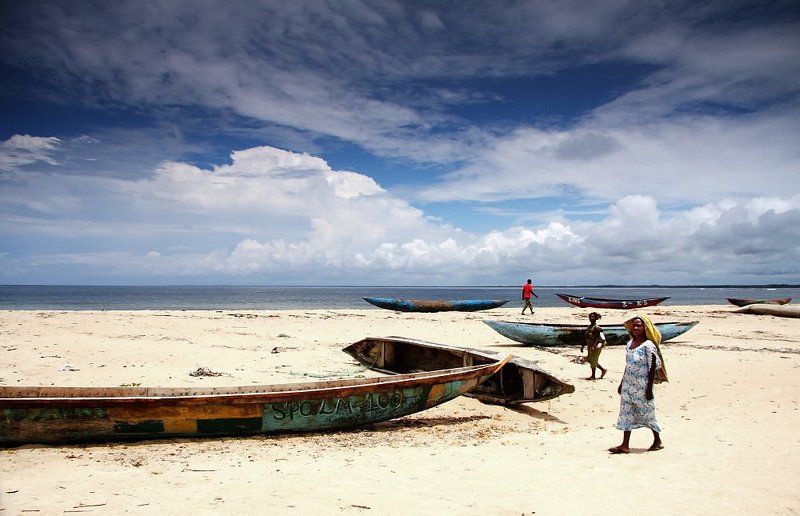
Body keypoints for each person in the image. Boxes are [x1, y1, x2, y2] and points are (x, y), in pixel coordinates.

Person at [609, 315, 668, 454]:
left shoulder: (648, 345)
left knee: (647, 413)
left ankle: (657, 440)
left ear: (645, 328)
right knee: (626, 413)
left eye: (639, 326)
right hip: (628, 385)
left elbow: (653, 366)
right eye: (633, 326)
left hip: (643, 386)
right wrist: (622, 383)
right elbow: (627, 365)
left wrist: (649, 388)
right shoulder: (630, 344)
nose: (635, 328)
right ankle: (624, 445)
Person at [581, 312, 607, 380]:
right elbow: (586, 337)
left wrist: (593, 347)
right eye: (590, 317)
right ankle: (603, 370)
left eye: (592, 317)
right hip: (590, 346)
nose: (591, 318)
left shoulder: (596, 327)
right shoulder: (589, 326)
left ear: (596, 318)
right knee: (590, 360)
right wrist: (583, 346)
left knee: (593, 360)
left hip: (595, 346)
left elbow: (598, 338)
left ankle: (593, 376)